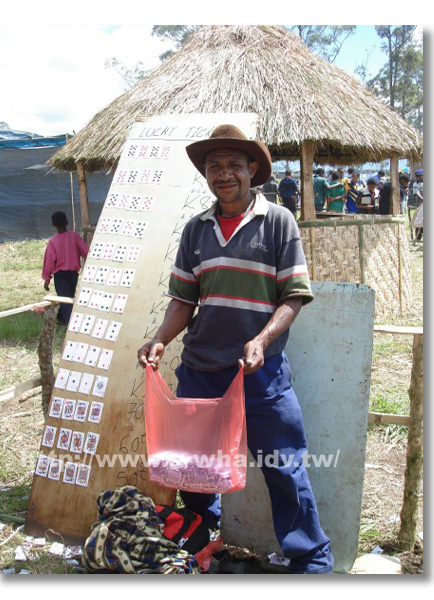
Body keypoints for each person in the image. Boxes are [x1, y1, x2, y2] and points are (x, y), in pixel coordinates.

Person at [137, 124, 333, 575]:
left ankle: (311, 561)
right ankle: (203, 543)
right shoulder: (195, 230)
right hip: (201, 369)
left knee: (284, 466)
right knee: (197, 469)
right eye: (214, 167)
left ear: (252, 171)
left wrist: (263, 341)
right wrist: (161, 338)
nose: (223, 174)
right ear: (206, 176)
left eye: (232, 165)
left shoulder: (278, 221)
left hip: (259, 373)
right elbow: (184, 300)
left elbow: (294, 296)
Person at [42, 211, 89, 324]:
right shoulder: (74, 237)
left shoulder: (53, 242)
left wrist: (47, 279)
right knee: (69, 297)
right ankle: (63, 318)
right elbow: (86, 251)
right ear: (67, 222)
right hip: (73, 274)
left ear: (53, 224)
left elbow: (48, 262)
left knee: (65, 299)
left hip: (60, 275)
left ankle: (70, 324)